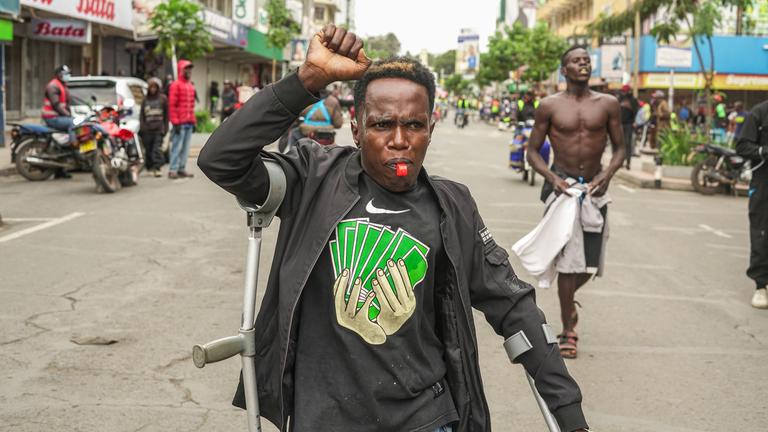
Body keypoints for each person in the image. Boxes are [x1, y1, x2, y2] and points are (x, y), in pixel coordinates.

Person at [198, 25, 589, 432]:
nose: (400, 140)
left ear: (431, 130)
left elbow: (513, 307)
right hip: (324, 419)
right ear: (356, 128)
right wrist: (308, 79)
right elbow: (222, 159)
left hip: (424, 418)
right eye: (382, 125)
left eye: (414, 126)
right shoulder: (313, 179)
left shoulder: (452, 206)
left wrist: (569, 413)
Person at [526, 45, 625, 359]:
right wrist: (553, 179)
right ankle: (569, 328)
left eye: (586, 60)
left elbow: (621, 149)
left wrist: (607, 175)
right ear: (564, 69)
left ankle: (569, 302)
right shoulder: (549, 105)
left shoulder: (608, 104)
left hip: (595, 191)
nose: (583, 64)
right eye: (575, 61)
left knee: (592, 263)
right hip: (563, 192)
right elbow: (532, 152)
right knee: (567, 266)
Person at [735, 99, 768, 309]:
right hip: (764, 182)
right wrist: (764, 151)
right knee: (761, 232)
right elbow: (742, 146)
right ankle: (761, 286)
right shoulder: (759, 113)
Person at [41, 64, 75, 179]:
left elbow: (66, 104)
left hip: (58, 117)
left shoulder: (62, 85)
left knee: (61, 145)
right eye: (65, 74)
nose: (67, 76)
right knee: (72, 124)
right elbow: (56, 105)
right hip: (52, 118)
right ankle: (73, 145)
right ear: (58, 75)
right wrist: (68, 115)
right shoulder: (53, 86)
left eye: (68, 74)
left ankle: (61, 170)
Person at [167, 59, 196, 179]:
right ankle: (173, 170)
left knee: (185, 148)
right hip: (179, 123)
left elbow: (191, 105)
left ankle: (181, 169)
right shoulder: (175, 85)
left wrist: (194, 121)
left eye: (190, 69)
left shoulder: (190, 85)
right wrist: (175, 122)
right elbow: (172, 105)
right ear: (181, 70)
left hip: (189, 122)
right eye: (186, 68)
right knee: (176, 147)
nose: (189, 71)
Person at [139, 77, 168, 177]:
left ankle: (157, 167)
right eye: (151, 87)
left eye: (155, 87)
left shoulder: (163, 99)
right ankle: (150, 167)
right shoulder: (145, 100)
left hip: (158, 129)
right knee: (148, 150)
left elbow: (166, 115)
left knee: (156, 149)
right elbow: (142, 115)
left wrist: (165, 128)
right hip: (147, 129)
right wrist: (142, 128)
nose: (153, 89)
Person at [618, 85, 639, 169]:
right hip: (620, 124)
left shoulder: (633, 100)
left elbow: (635, 111)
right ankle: (620, 162)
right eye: (623, 91)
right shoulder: (620, 99)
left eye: (625, 91)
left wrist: (629, 107)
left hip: (629, 124)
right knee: (620, 144)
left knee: (627, 143)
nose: (624, 93)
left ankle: (628, 162)